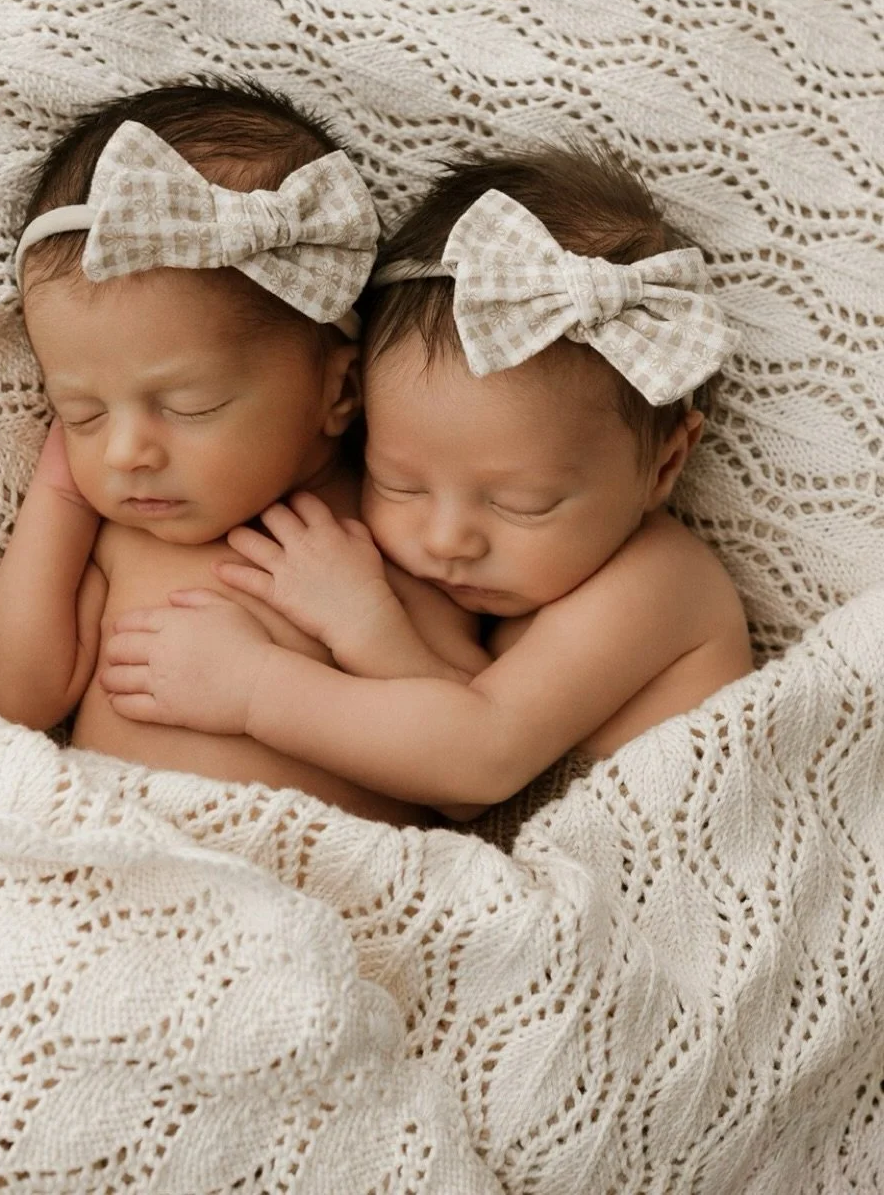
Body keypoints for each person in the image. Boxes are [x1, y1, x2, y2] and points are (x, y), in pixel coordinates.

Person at [98, 144, 756, 819]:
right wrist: (375, 632)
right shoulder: (493, 588)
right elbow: (447, 743)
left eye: (522, 503)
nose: (447, 539)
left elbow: (479, 757)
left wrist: (256, 686)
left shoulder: (660, 582)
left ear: (666, 466)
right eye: (399, 484)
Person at [0, 78, 487, 826]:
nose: (125, 452)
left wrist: (369, 626)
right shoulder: (122, 538)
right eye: (81, 412)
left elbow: (469, 781)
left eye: (190, 406)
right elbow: (17, 699)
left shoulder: (392, 534)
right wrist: (57, 498)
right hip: (126, 863)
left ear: (336, 392)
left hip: (334, 884)